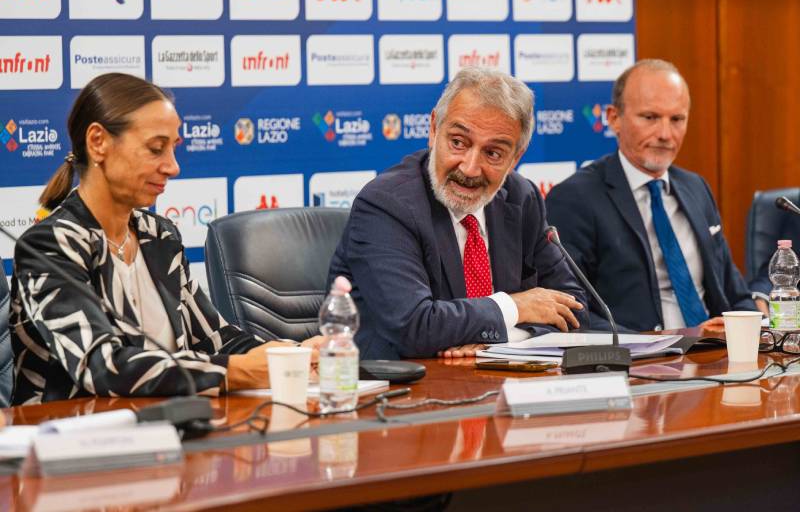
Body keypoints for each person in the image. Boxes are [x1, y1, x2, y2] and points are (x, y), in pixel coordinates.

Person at [10, 73, 320, 405]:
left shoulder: (159, 235)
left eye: (174, 148)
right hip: (69, 429)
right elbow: (101, 366)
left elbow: (218, 340)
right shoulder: (49, 245)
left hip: (170, 423)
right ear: (98, 142)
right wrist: (239, 371)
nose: (173, 167)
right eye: (156, 149)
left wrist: (297, 354)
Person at [328, 67, 588, 360]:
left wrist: (502, 338)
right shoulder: (387, 204)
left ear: (516, 156)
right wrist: (514, 307)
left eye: (493, 153)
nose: (470, 168)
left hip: (497, 379)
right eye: (458, 142)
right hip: (403, 382)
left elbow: (575, 308)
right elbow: (413, 326)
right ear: (433, 129)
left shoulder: (521, 197)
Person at [546, 59, 763, 333]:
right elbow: (572, 312)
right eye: (650, 118)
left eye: (677, 119)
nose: (665, 134)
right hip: (640, 355)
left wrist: (758, 334)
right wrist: (666, 340)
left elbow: (735, 294)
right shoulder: (574, 198)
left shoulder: (696, 188)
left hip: (716, 349)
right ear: (614, 118)